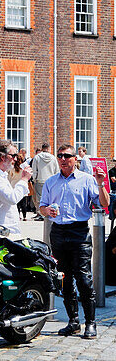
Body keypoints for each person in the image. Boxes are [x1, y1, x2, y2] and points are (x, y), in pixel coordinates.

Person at [39, 144, 109, 340]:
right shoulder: (51, 182)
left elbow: (104, 203)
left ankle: (91, 323)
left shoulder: (87, 180)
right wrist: (47, 211)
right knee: (64, 280)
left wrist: (101, 184)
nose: (62, 159)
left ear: (75, 159)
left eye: (67, 156)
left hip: (79, 232)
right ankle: (73, 322)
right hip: (58, 232)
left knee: (84, 280)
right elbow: (42, 206)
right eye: (59, 156)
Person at [0, 138, 31, 239]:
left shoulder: (0, 175)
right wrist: (24, 179)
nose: (15, 159)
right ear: (2, 157)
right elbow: (12, 198)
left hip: (4, 234)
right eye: (13, 156)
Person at [31, 143, 58, 210]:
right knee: (50, 197)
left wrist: (34, 179)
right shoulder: (53, 158)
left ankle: (41, 213)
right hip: (51, 181)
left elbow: (34, 170)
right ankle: (49, 211)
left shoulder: (37, 157)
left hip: (40, 180)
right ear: (48, 148)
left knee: (39, 198)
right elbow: (56, 170)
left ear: (42, 149)